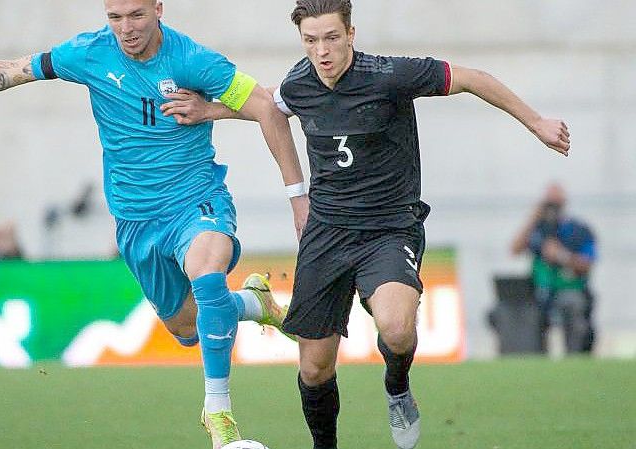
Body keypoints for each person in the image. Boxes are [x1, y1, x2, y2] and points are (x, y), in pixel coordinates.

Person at [0, 1, 308, 447]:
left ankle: (220, 417)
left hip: (196, 200)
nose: (125, 28)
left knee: (207, 273)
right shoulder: (89, 53)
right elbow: (9, 72)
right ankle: (252, 302)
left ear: (159, 8)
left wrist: (292, 193)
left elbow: (267, 107)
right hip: (136, 222)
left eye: (136, 15)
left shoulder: (193, 60)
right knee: (186, 327)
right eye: (114, 17)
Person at [162, 1, 571, 448]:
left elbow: (472, 78)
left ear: (351, 35)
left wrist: (537, 122)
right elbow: (267, 104)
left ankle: (397, 386)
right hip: (327, 233)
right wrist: (210, 110)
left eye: (332, 38)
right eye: (311, 41)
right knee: (314, 368)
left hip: (390, 228)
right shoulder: (301, 82)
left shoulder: (391, 75)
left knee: (396, 327)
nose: (322, 51)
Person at [511, 183, 596, 354]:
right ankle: (534, 358)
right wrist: (533, 219)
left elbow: (587, 263)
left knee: (572, 305)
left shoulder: (578, 230)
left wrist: (560, 256)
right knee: (521, 312)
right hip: (539, 291)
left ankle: (574, 358)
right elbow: (515, 249)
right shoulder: (538, 230)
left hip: (569, 288)